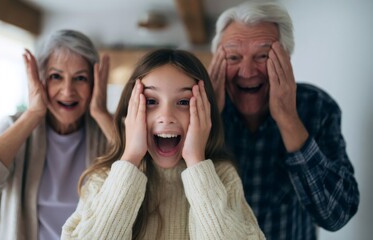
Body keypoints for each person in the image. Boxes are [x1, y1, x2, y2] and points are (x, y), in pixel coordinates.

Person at [61, 49, 265, 240]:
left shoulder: (222, 177)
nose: (166, 117)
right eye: (151, 101)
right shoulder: (104, 178)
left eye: (184, 102)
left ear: (205, 113)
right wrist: (131, 157)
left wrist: (196, 161)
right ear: (130, 111)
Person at [208, 1, 359, 239]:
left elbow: (336, 215)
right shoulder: (194, 110)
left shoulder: (318, 107)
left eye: (263, 56)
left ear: (286, 59)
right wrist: (207, 122)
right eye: (234, 57)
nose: (247, 72)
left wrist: (288, 118)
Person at [0, 29, 114, 240]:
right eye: (56, 76)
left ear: (94, 84)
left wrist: (101, 114)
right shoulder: (17, 126)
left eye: (80, 78)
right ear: (40, 80)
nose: (67, 90)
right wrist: (32, 114)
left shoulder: (108, 128)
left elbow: (146, 183)